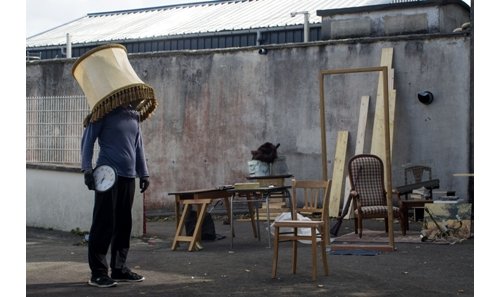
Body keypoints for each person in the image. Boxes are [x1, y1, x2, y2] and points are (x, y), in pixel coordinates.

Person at [72, 44, 158, 288]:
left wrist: (144, 173)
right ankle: (98, 272)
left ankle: (119, 268)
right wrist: (87, 169)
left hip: (128, 177)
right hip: (106, 175)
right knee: (103, 223)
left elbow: (139, 147)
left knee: (123, 224)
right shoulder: (102, 113)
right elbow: (87, 143)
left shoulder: (133, 116)